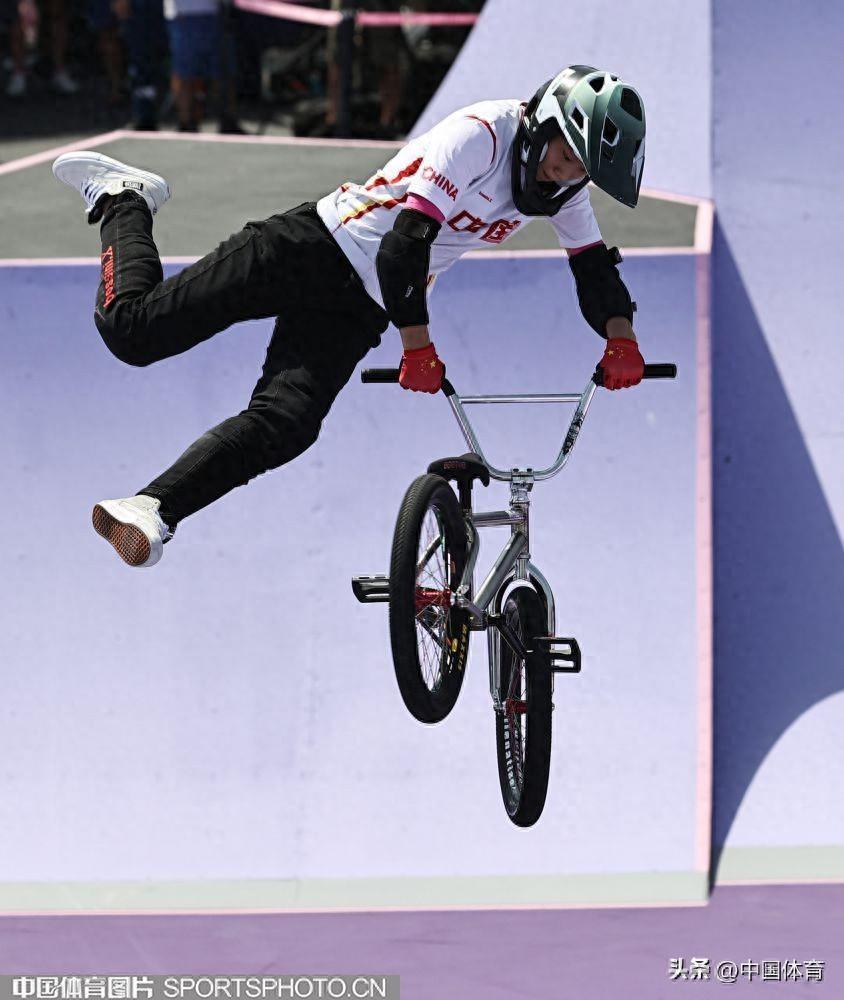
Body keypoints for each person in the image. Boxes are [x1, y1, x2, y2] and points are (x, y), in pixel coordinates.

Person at [52, 64, 647, 569]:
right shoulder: (481, 135)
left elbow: (594, 270)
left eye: (582, 170)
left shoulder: (565, 191)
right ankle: (125, 199)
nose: (564, 175)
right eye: (565, 156)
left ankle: (153, 508)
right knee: (133, 332)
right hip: (312, 247)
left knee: (288, 423)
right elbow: (403, 247)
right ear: (543, 123)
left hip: (360, 306)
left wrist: (622, 339)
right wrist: (417, 345)